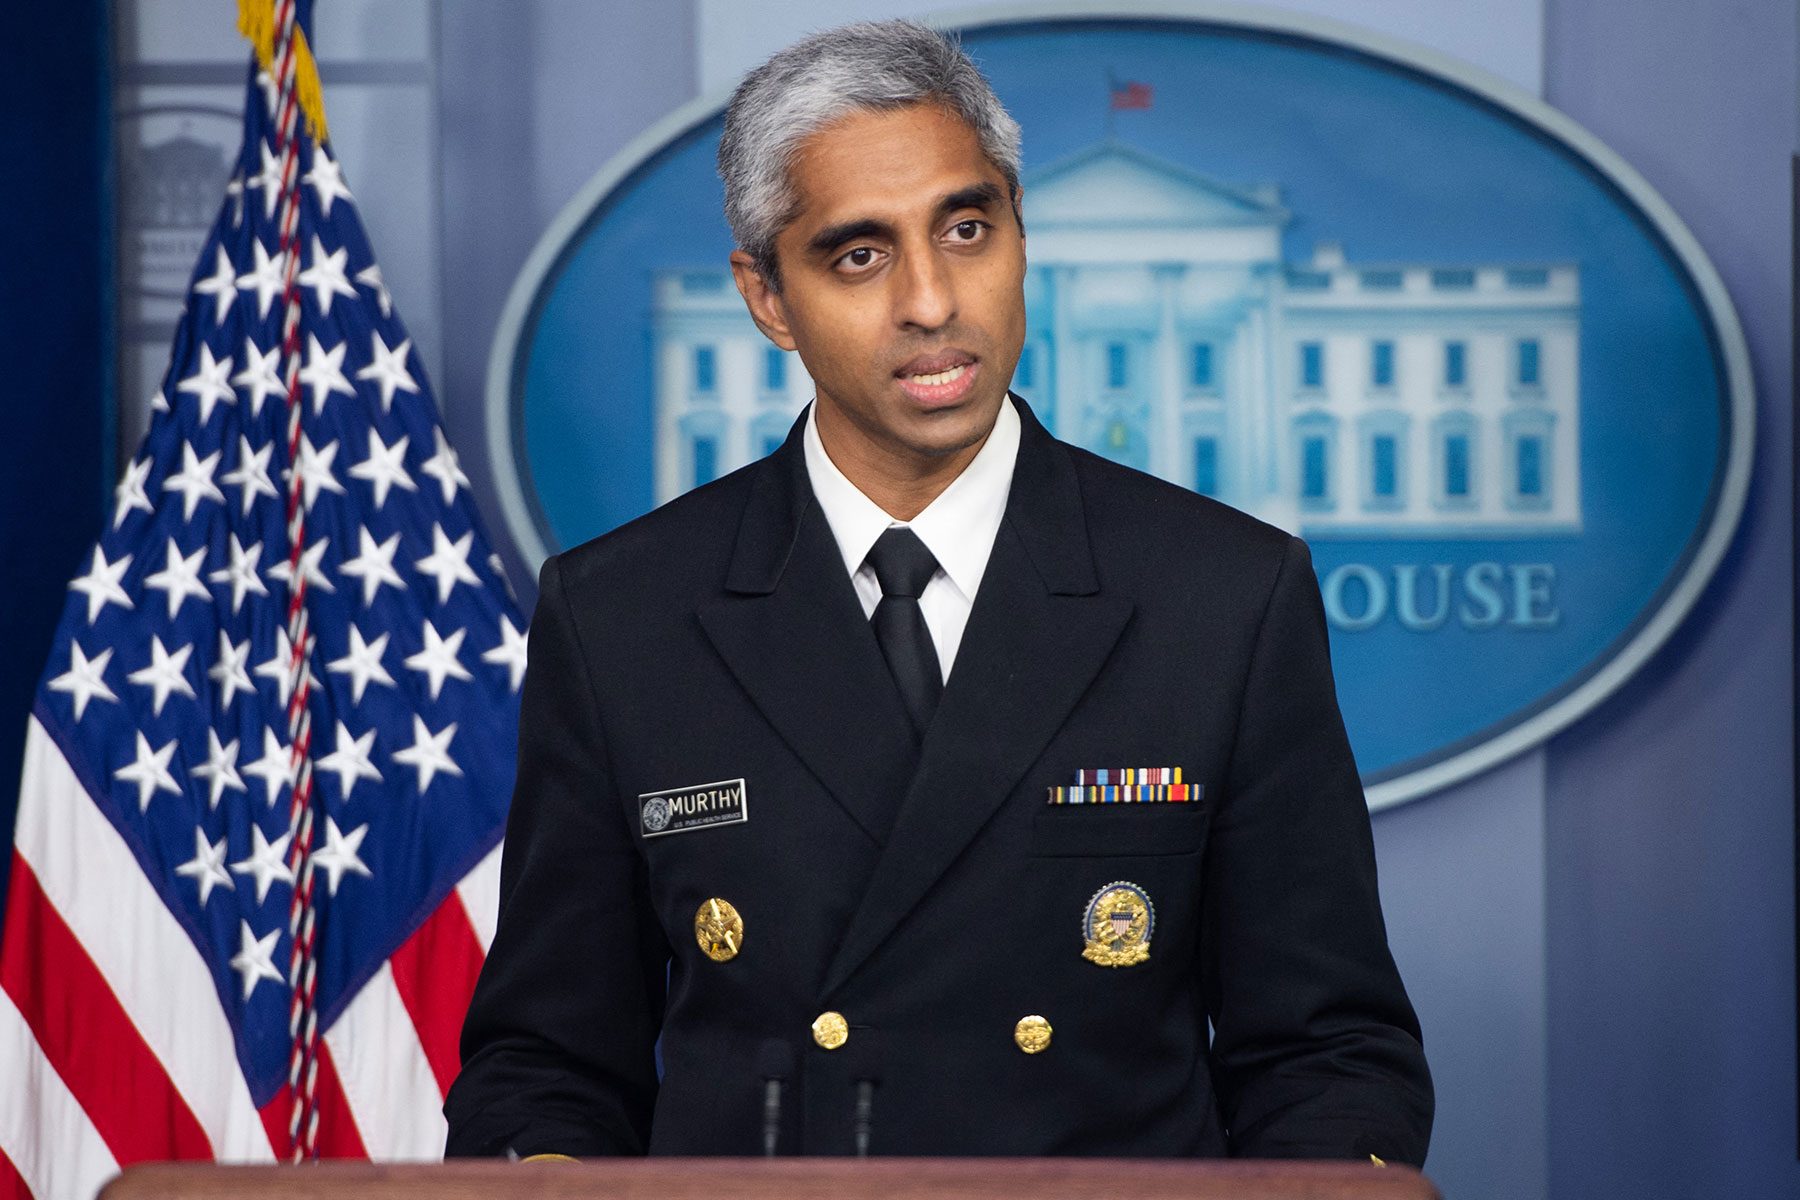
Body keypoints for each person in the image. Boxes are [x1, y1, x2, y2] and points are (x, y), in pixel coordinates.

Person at [444, 19, 1432, 1163]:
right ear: (767, 297)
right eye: (859, 255)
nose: (930, 300)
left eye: (967, 229)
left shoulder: (1226, 596)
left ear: (1020, 234)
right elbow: (549, 1066)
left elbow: (1326, 1056)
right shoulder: (621, 616)